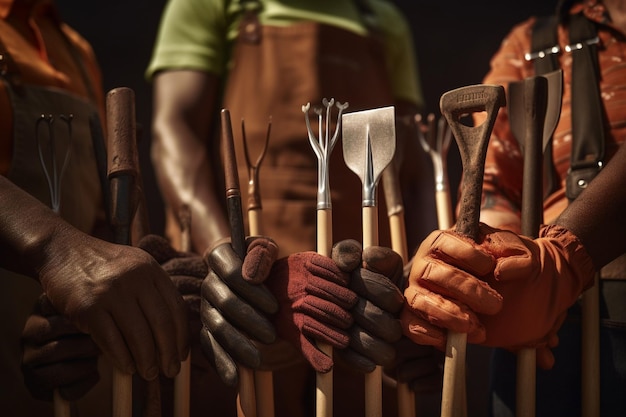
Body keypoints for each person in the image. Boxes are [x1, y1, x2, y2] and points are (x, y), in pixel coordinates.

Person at [145, 0, 440, 415]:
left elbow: (409, 163)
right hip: (246, 272)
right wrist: (226, 256)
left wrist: (421, 287)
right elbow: (174, 129)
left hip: (363, 286)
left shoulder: (382, 19)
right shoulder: (213, 6)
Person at [404, 0, 626, 415]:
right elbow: (496, 185)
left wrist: (567, 257)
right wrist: (495, 274)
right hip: (549, 323)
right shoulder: (535, 44)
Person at [0, 1, 188, 415]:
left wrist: (151, 284)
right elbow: (73, 251)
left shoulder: (74, 50)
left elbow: (95, 231)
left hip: (80, 385)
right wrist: (53, 245)